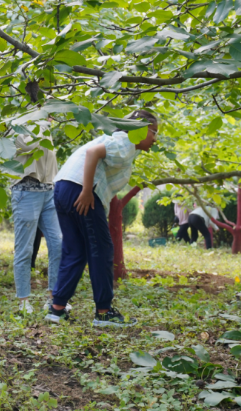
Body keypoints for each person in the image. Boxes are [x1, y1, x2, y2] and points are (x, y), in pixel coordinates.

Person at [47, 110, 158, 327]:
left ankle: (57, 309)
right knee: (102, 250)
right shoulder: (126, 141)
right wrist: (87, 191)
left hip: (63, 186)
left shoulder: (119, 141)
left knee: (75, 250)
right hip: (80, 189)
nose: (155, 138)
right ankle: (104, 313)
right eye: (154, 132)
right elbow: (92, 152)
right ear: (141, 129)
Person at [11, 124, 63, 315]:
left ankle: (53, 298)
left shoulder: (46, 127)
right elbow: (27, 146)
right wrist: (43, 123)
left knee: (58, 243)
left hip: (49, 191)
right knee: (25, 248)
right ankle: (24, 301)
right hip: (25, 191)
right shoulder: (21, 125)